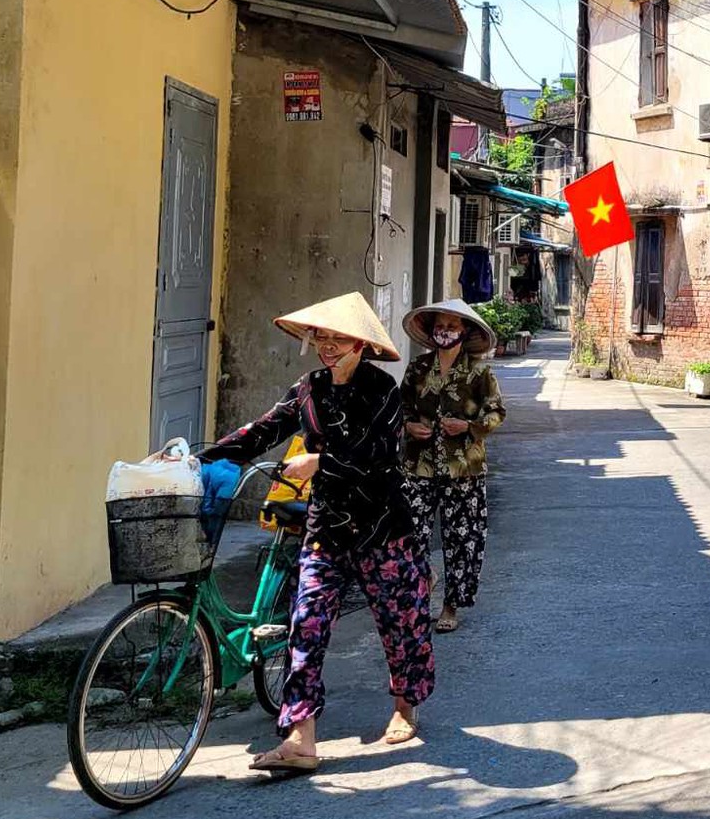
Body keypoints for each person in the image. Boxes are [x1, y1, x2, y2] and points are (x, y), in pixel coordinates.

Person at [198, 292, 433, 774]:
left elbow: (380, 461)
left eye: (338, 337)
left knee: (400, 624)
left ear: (361, 344)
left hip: (383, 528)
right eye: (321, 336)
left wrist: (319, 462)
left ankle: (404, 709)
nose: (327, 345)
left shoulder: (382, 390)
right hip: (325, 527)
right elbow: (262, 430)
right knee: (305, 625)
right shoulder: (308, 388)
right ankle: (300, 737)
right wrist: (200, 458)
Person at [398, 300, 507, 633]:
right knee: (409, 532)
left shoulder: (479, 373)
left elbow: (496, 413)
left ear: (464, 333)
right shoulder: (417, 369)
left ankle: (451, 605)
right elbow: (399, 408)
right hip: (419, 465)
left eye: (451, 326)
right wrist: (407, 426)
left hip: (464, 469)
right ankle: (423, 581)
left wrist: (469, 427)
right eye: (440, 326)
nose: (444, 331)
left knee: (462, 539)